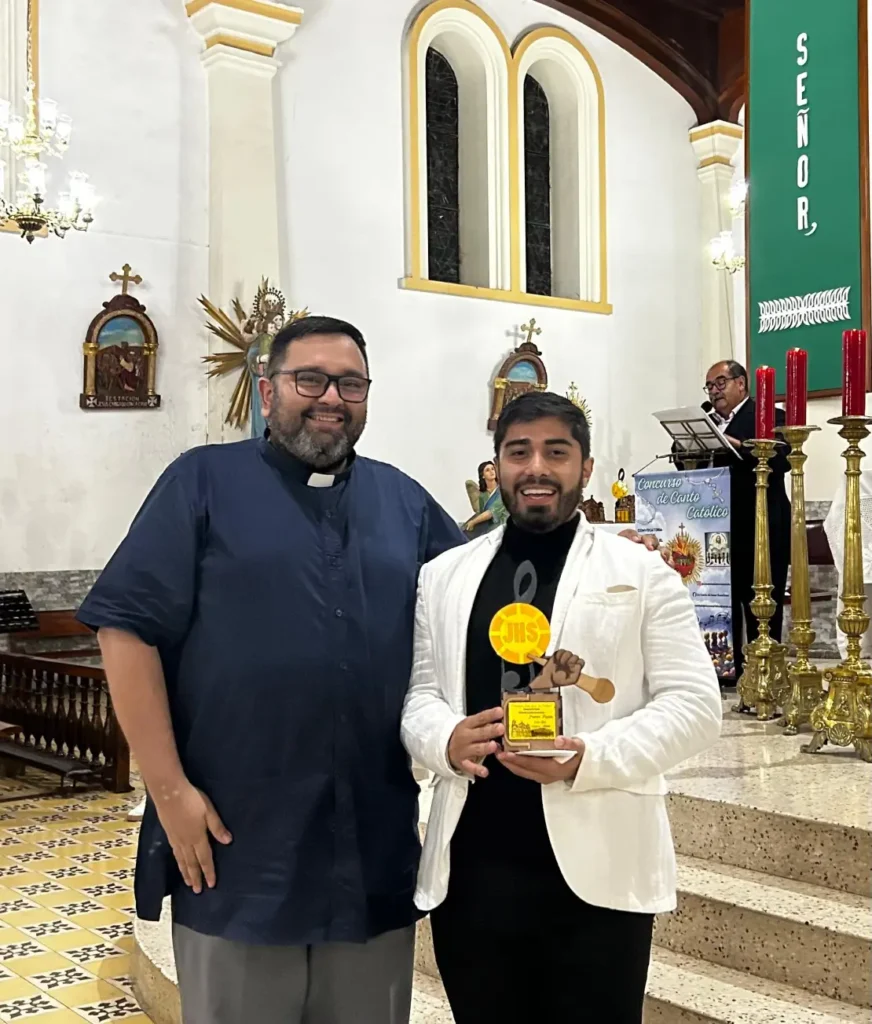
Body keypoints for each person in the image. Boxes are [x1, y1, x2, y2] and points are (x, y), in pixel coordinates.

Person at [76, 315, 464, 1024]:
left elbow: (479, 598)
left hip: (370, 850)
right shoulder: (202, 481)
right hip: (238, 848)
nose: (330, 398)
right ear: (266, 388)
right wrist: (168, 792)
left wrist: (597, 572)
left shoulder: (402, 500)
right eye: (309, 379)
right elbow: (125, 630)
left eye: (350, 383)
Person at [401, 391, 722, 1024]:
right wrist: (445, 740)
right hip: (474, 862)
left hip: (597, 866)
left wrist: (588, 758)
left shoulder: (642, 572)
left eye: (557, 452)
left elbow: (694, 706)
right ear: (496, 468)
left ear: (586, 467)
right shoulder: (444, 574)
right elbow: (420, 695)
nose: (537, 468)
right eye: (519, 452)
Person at [700, 360, 790, 681]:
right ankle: (731, 671)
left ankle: (765, 673)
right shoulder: (706, 422)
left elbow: (783, 459)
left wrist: (740, 446)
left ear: (742, 383)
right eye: (709, 386)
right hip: (718, 530)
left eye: (720, 383)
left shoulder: (771, 417)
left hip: (762, 527)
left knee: (762, 606)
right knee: (724, 603)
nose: (714, 391)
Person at [463, 460, 508, 538]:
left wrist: (473, 522)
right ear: (483, 475)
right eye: (487, 470)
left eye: (492, 469)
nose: (491, 472)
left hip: (502, 525)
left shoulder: (503, 490)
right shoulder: (482, 496)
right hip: (487, 525)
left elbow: (491, 512)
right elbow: (481, 513)